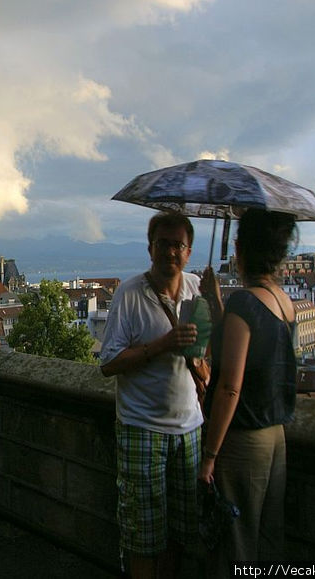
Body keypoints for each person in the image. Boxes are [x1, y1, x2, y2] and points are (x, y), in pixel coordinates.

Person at [100, 211, 219, 579]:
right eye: (164, 243)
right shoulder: (130, 293)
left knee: (182, 534)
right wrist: (162, 344)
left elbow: (211, 355)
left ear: (189, 251)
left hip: (190, 430)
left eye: (178, 245)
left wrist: (202, 362)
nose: (171, 251)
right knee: (143, 536)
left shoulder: (198, 289)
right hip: (142, 429)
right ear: (150, 248)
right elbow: (108, 362)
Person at [199, 209, 298, 574]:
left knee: (237, 543)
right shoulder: (283, 302)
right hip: (276, 435)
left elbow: (230, 386)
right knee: (268, 539)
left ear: (238, 249)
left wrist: (209, 455)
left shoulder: (245, 302)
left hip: (244, 439)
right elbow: (256, 352)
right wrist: (214, 301)